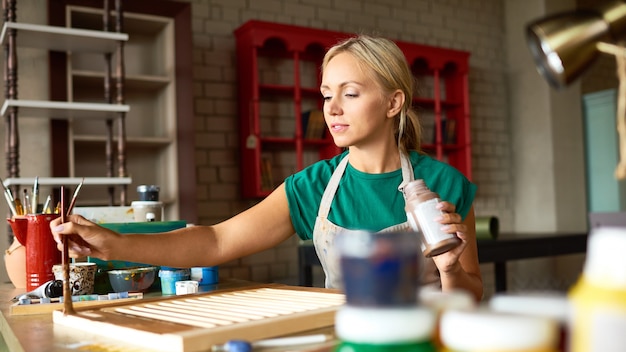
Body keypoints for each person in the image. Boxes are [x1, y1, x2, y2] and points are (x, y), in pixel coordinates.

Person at [50, 35, 483, 301]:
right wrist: (114, 244)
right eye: (326, 93)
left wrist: (449, 270)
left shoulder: (446, 185)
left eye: (349, 93)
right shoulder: (311, 188)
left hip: (431, 351)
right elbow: (216, 241)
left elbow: (472, 294)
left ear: (393, 102)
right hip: (345, 347)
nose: (331, 108)